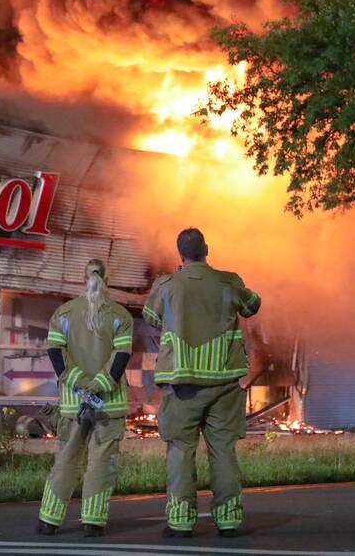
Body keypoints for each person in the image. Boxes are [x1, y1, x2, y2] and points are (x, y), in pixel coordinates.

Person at [144, 227, 260, 538]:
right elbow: (253, 305)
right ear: (206, 248)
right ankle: (229, 520)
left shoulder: (167, 284)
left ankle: (181, 522)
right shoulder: (229, 281)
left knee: (181, 451)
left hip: (181, 385)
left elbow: (151, 317)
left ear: (179, 253)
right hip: (223, 382)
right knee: (223, 450)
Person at [36, 259, 134, 537]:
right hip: (109, 404)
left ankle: (49, 521)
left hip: (72, 404)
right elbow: (121, 357)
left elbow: (56, 354)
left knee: (66, 459)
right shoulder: (120, 315)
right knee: (101, 462)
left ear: (83, 279)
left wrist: (79, 385)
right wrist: (98, 385)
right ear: (107, 280)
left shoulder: (63, 314)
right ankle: (92, 523)